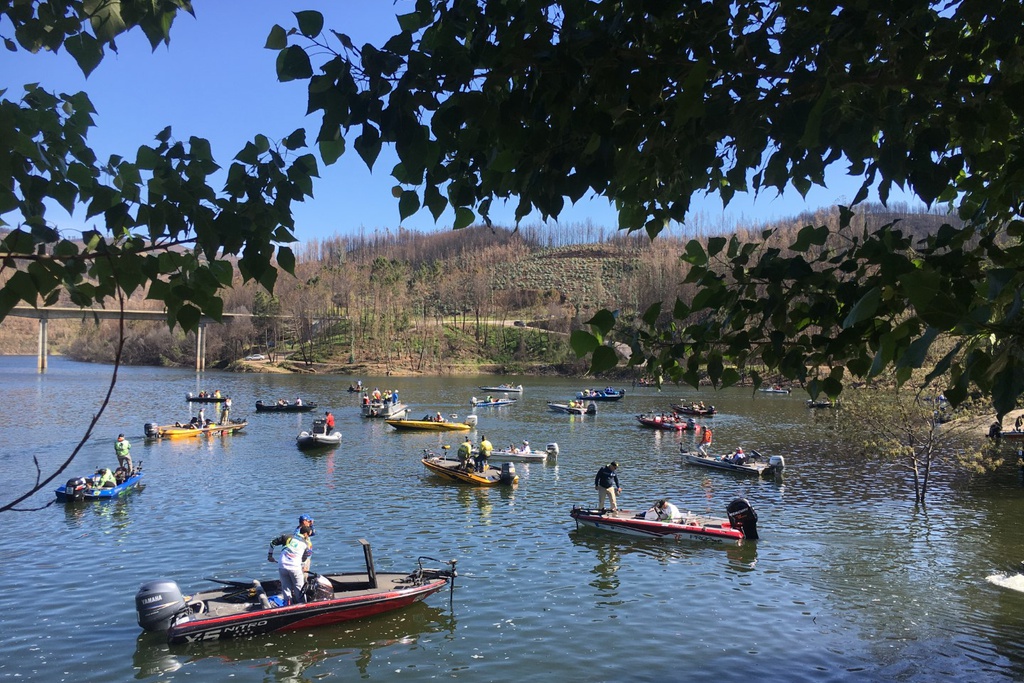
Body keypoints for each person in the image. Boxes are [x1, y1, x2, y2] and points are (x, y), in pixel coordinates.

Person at [268, 517, 314, 605]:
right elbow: (304, 559)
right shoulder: (306, 544)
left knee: (286, 588)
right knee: (299, 588)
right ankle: (302, 606)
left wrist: (270, 556)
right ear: (305, 534)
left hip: (282, 565)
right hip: (295, 567)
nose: (308, 537)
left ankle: (288, 605)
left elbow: (272, 543)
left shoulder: (287, 537)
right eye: (308, 535)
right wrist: (302, 567)